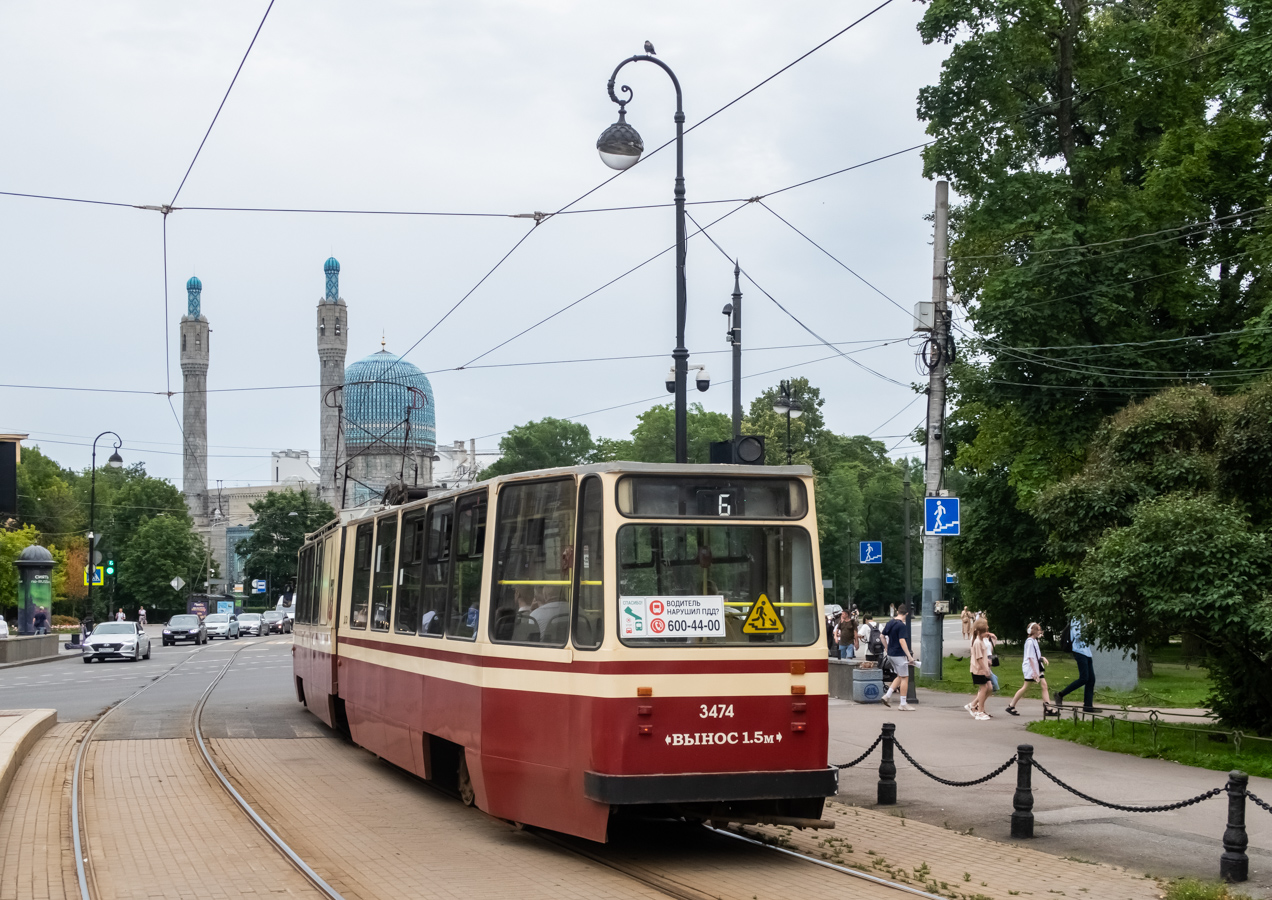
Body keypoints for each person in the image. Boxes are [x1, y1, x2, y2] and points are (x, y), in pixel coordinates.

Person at [1006, 623, 1050, 715]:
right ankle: (1011, 705)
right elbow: (1030, 658)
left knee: (1044, 685)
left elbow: (1036, 655)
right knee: (1026, 687)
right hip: (1031, 668)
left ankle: (1048, 708)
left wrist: (1042, 658)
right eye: (1038, 630)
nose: (1039, 632)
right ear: (1033, 631)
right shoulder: (1030, 642)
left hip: (1036, 666)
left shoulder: (1034, 641)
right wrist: (1034, 672)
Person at [879, 604, 917, 710]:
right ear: (907, 614)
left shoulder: (890, 622)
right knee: (905, 678)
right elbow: (902, 641)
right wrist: (909, 656)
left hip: (891, 654)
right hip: (899, 654)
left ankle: (887, 695)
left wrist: (886, 648)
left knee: (900, 676)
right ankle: (903, 704)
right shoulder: (901, 626)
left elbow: (882, 636)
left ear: (897, 612)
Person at [1056, 616, 1096, 712]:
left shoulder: (1085, 619)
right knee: (1084, 678)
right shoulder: (1077, 618)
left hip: (1087, 652)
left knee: (1091, 679)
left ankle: (1088, 706)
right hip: (1079, 651)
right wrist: (1088, 627)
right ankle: (1060, 695)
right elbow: (1077, 635)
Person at [967, 618, 993, 720]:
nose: (986, 633)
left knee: (988, 688)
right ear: (978, 632)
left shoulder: (982, 641)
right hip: (978, 670)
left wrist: (988, 663)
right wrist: (986, 668)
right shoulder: (977, 642)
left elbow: (984, 655)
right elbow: (979, 658)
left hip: (983, 669)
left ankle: (975, 706)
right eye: (984, 632)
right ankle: (979, 711)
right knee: (984, 689)